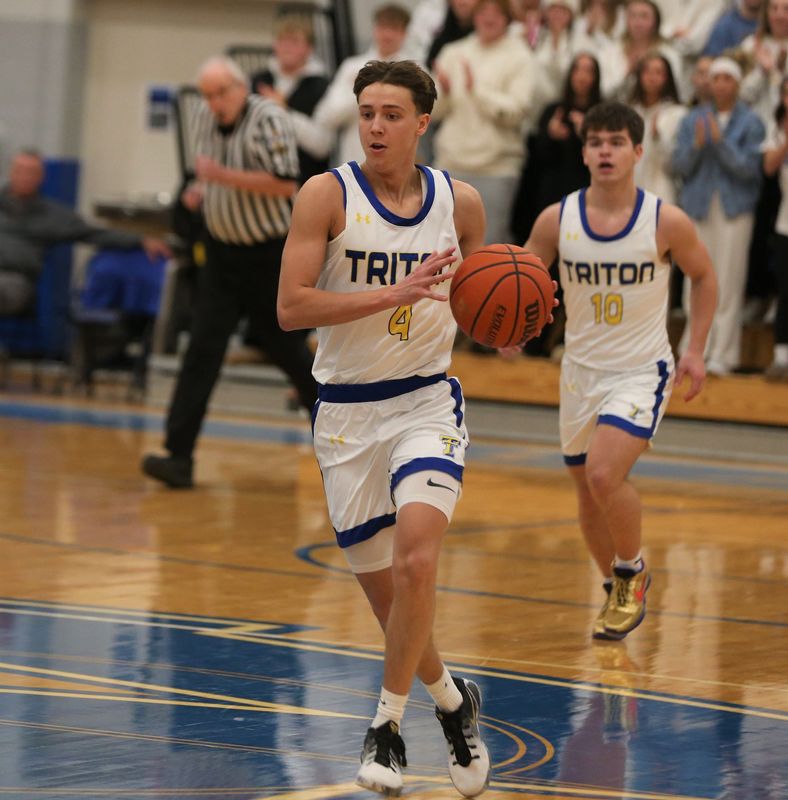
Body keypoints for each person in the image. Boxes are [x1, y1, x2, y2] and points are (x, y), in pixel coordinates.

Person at [277, 60, 490, 797]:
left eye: (391, 114)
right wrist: (388, 293)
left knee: (418, 561)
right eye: (367, 111)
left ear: (422, 123)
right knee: (392, 605)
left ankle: (388, 728)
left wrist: (512, 318)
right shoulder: (324, 195)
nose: (374, 125)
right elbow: (291, 307)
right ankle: (452, 700)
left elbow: (473, 301)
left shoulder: (460, 204)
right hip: (346, 416)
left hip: (427, 402)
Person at [521, 101, 717, 641]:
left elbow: (704, 278)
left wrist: (695, 349)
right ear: (583, 153)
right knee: (587, 493)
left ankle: (632, 571)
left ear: (637, 151)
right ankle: (615, 588)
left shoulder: (665, 220)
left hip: (639, 370)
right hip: (580, 371)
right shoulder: (557, 219)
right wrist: (513, 328)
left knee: (606, 474)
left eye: (615, 142)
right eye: (595, 142)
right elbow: (523, 282)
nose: (605, 151)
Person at [141, 56, 318, 489]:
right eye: (208, 94)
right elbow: (203, 171)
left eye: (221, 93)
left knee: (290, 354)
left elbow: (284, 183)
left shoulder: (269, 119)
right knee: (202, 350)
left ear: (241, 88)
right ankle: (178, 457)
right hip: (221, 254)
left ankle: (346, 441)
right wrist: (198, 191)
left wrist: (222, 176)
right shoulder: (204, 117)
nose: (214, 102)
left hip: (267, 254)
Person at [672, 56, 765, 375]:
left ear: (737, 84)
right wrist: (698, 145)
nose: (721, 84)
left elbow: (750, 170)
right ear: (709, 83)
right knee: (694, 279)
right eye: (716, 78)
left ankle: (724, 354)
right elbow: (679, 166)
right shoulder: (692, 119)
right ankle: (693, 349)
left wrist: (720, 143)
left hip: (734, 209)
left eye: (728, 78)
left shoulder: (751, 122)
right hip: (698, 207)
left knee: (728, 278)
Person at [0, 149, 170, 317]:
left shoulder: (53, 215)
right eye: (19, 171)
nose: (24, 177)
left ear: (41, 177)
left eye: (31, 172)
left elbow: (94, 233)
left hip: (15, 281)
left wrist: (140, 240)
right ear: (11, 172)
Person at [431, 0, 535, 244]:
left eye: (497, 13)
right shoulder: (453, 51)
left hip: (496, 168)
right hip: (450, 163)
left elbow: (517, 111)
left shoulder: (519, 55)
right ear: (474, 16)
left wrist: (476, 90)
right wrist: (443, 92)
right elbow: (433, 113)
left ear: (507, 19)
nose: (489, 18)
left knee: (488, 246)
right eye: (483, 12)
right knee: (441, 244)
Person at [313, 5, 413, 167]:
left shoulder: (415, 71)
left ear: (404, 33)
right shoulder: (352, 67)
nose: (387, 34)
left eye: (394, 28)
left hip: (399, 165)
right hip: (356, 162)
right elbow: (326, 116)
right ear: (375, 29)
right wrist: (358, 93)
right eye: (383, 27)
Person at [762, 77, 788, 381]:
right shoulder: (776, 126)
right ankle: (782, 357)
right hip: (784, 222)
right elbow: (769, 167)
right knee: (786, 290)